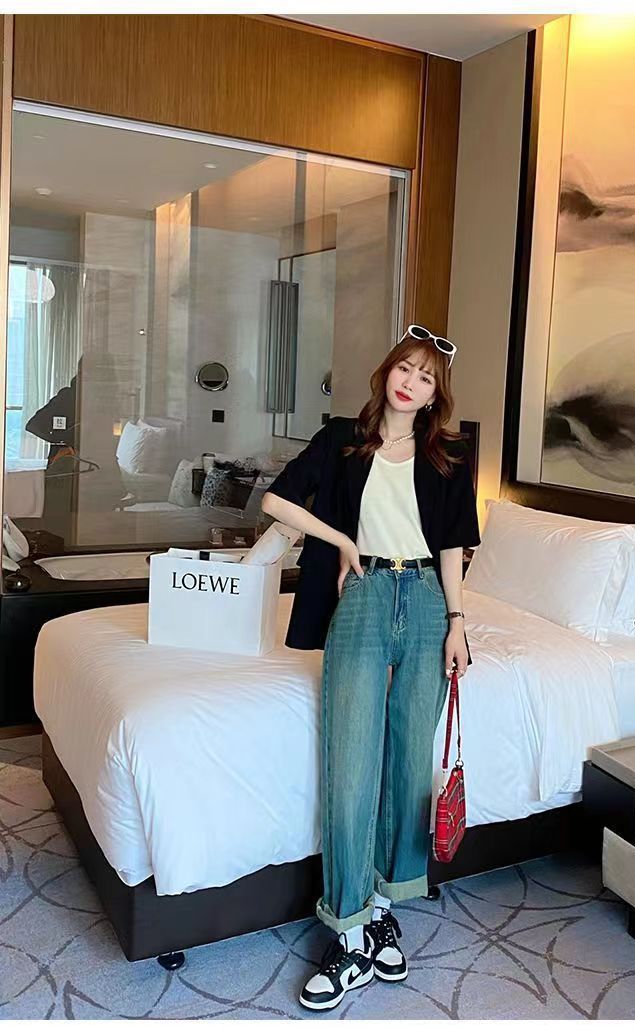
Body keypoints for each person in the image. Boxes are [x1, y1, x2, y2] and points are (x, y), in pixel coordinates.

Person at [262, 325, 481, 1012]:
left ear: (435, 394)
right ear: (387, 372)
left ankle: (386, 906)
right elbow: (275, 501)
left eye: (426, 377)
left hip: (426, 601)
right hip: (362, 593)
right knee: (351, 763)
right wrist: (340, 541)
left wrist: (457, 623)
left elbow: (453, 547)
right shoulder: (341, 441)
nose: (411, 383)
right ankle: (349, 929)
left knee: (409, 763)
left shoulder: (449, 455)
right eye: (405, 369)